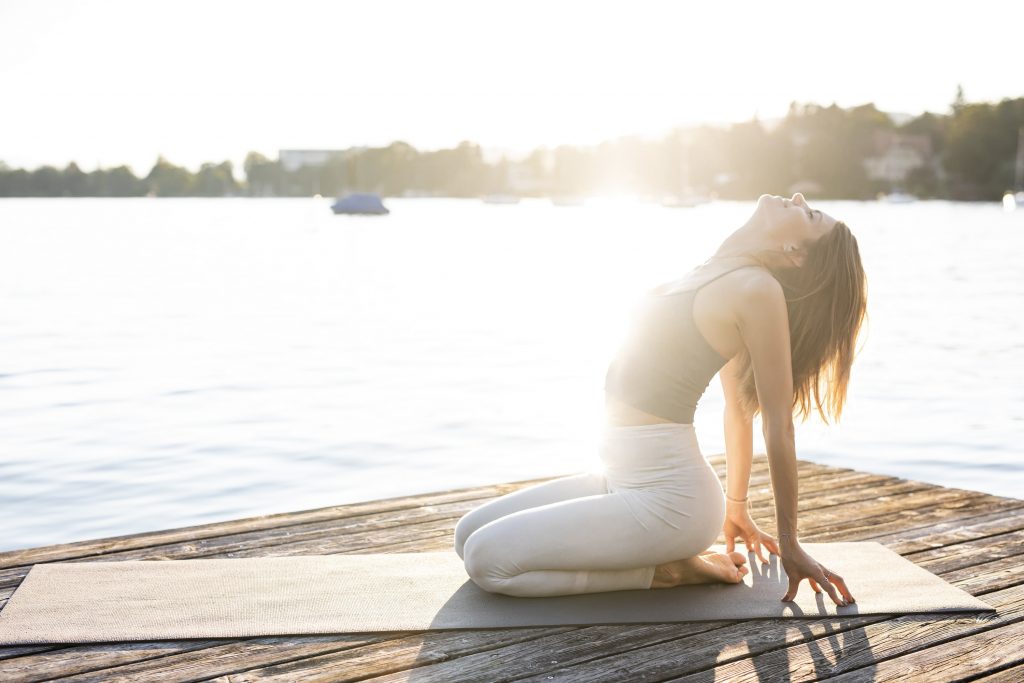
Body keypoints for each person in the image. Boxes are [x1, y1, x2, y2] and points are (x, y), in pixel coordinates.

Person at [454, 192, 866, 606]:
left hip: (671, 500)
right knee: (466, 535)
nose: (797, 199)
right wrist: (735, 509)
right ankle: (667, 556)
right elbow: (737, 406)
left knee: (487, 561)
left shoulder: (757, 289)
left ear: (794, 252)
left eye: (809, 214)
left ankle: (666, 573)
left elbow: (778, 423)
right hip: (620, 478)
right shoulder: (714, 272)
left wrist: (790, 542)